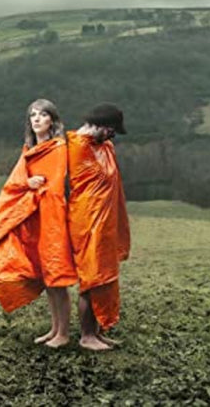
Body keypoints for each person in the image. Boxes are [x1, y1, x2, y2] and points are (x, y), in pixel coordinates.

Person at [0, 99, 77, 348]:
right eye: (32, 115)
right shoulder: (29, 149)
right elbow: (15, 182)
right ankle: (54, 329)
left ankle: (64, 334)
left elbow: (54, 187)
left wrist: (34, 187)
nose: (36, 119)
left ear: (52, 121)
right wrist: (28, 184)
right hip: (33, 218)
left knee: (56, 276)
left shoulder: (57, 148)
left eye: (42, 115)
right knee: (46, 277)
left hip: (52, 216)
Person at [67, 103, 130, 351]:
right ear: (102, 126)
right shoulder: (76, 147)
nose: (113, 135)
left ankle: (97, 331)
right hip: (87, 223)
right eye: (112, 130)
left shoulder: (104, 147)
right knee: (91, 279)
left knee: (104, 277)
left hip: (105, 225)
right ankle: (86, 336)